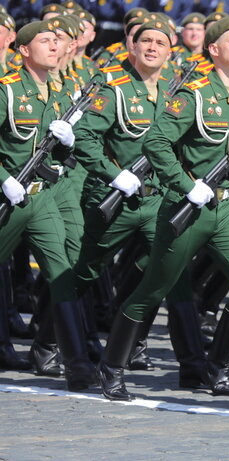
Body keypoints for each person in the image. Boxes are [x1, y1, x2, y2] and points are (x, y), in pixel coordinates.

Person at [95, 17, 229, 410]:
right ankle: (112, 366)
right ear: (213, 49)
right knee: (155, 287)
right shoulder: (194, 95)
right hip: (190, 207)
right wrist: (186, 185)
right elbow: (157, 142)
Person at [0, 20, 95, 391]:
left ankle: (75, 365)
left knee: (63, 273)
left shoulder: (65, 91)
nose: (55, 46)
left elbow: (77, 146)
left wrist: (70, 142)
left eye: (57, 41)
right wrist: (4, 178)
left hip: (43, 198)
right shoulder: (7, 91)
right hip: (10, 196)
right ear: (23, 50)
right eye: (45, 40)